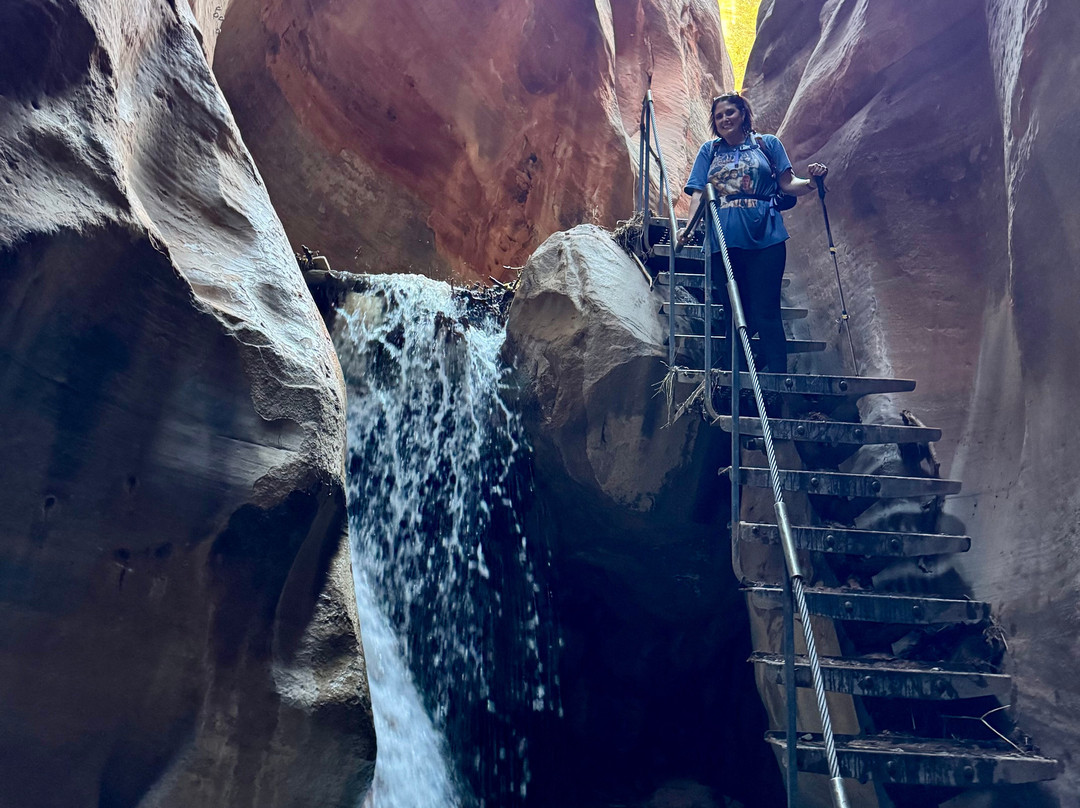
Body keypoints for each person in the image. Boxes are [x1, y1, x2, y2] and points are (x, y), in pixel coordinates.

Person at [676, 92, 828, 374]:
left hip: (766, 237)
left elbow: (787, 182)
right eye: (719, 116)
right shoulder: (710, 151)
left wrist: (811, 182)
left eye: (729, 113)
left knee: (766, 308)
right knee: (734, 310)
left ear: (743, 114)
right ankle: (738, 374)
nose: (724, 119)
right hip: (723, 240)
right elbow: (698, 192)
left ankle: (778, 375)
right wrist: (689, 227)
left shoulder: (766, 144)